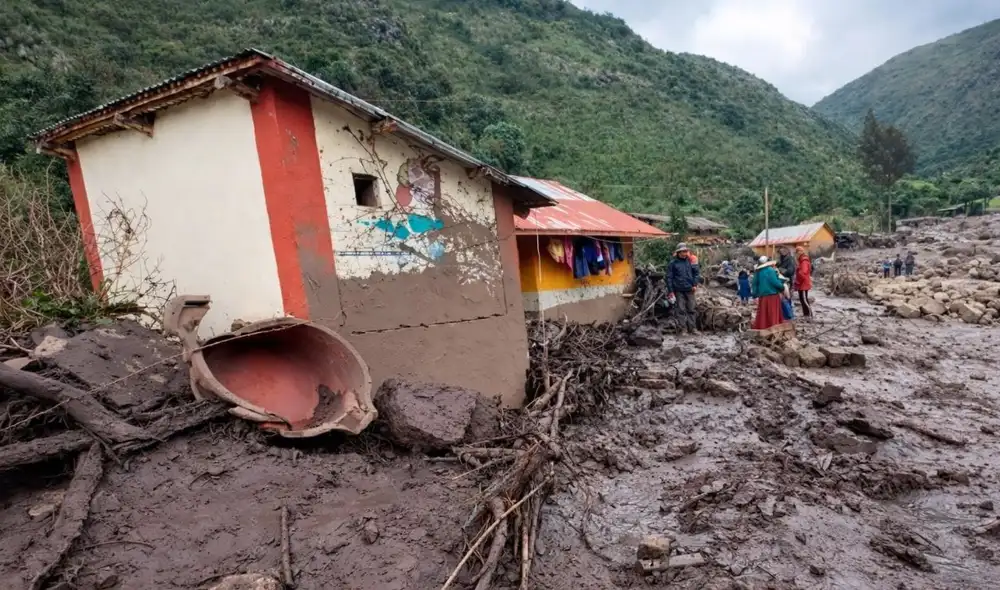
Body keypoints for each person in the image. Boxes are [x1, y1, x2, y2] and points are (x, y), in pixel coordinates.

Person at [667, 242, 700, 334]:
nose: (684, 253)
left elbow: (696, 274)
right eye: (682, 251)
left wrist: (695, 284)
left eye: (686, 251)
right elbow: (669, 277)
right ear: (678, 252)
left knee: (691, 309)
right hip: (678, 290)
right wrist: (671, 291)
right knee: (680, 309)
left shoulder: (691, 261)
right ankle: (683, 329)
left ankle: (693, 328)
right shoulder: (673, 263)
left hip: (690, 289)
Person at [751, 256, 788, 330]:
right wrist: (782, 287)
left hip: (762, 296)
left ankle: (763, 327)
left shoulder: (758, 272)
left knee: (763, 314)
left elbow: (754, 284)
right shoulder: (770, 270)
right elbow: (775, 283)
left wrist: (755, 294)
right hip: (772, 296)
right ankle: (773, 328)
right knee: (773, 313)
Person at [794, 246, 813, 318]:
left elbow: (803, 272)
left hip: (803, 283)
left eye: (797, 252)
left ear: (800, 252)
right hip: (802, 283)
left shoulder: (804, 261)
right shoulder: (801, 260)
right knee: (802, 299)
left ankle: (809, 314)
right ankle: (806, 314)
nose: (796, 254)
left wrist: (798, 279)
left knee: (804, 300)